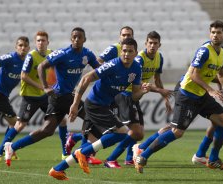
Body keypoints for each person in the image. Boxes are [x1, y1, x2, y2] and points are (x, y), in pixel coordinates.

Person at [132, 20, 223, 173]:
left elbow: (221, 75)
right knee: (177, 132)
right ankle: (143, 155)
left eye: (218, 32)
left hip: (201, 95)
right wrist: (211, 90)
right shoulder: (204, 51)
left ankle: (213, 158)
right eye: (212, 32)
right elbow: (193, 74)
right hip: (187, 94)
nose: (215, 35)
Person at [49, 37, 151, 181]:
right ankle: (83, 153)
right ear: (121, 51)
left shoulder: (136, 68)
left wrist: (142, 91)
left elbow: (134, 96)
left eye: (130, 51)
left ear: (136, 53)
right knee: (122, 134)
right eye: (124, 51)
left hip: (106, 105)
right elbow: (86, 78)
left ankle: (58, 169)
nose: (126, 54)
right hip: (95, 104)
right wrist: (76, 104)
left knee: (93, 141)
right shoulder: (113, 65)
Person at [3, 27, 100, 167]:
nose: (77, 39)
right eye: (74, 37)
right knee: (90, 117)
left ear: (85, 39)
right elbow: (41, 66)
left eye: (80, 37)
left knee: (47, 130)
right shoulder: (63, 53)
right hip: (58, 97)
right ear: (71, 39)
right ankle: (84, 153)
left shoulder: (87, 54)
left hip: (67, 97)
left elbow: (99, 70)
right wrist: (46, 87)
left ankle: (12, 147)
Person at [0, 31, 68, 163]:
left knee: (62, 121)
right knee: (20, 125)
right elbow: (23, 76)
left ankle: (65, 153)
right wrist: (42, 87)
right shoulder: (31, 56)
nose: (40, 43)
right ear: (35, 43)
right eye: (38, 40)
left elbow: (58, 69)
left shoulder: (51, 54)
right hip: (30, 96)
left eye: (43, 40)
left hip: (44, 96)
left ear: (47, 42)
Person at [64, 26, 135, 160]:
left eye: (129, 35)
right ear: (120, 37)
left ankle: (80, 149)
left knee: (99, 130)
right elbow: (99, 62)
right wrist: (109, 73)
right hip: (101, 93)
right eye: (124, 35)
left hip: (113, 95)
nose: (126, 37)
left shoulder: (131, 53)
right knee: (110, 130)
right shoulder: (114, 49)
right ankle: (84, 154)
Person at [104, 31, 173, 168]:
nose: (152, 46)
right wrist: (160, 90)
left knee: (138, 131)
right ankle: (111, 158)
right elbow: (137, 81)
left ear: (160, 45)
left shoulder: (159, 58)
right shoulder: (139, 59)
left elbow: (157, 79)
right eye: (150, 43)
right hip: (124, 95)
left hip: (134, 96)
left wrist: (164, 97)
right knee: (133, 131)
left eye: (155, 43)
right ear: (145, 44)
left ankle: (130, 158)